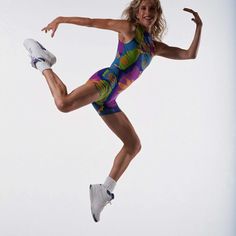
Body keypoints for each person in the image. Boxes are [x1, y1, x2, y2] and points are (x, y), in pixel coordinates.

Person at [23, 0, 202, 222]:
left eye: (152, 9)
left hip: (110, 98)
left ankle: (104, 190)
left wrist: (199, 28)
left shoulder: (154, 47)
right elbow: (91, 22)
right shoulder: (128, 29)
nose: (148, 12)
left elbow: (188, 55)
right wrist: (61, 19)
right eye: (144, 8)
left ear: (157, 14)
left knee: (133, 145)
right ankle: (42, 61)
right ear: (136, 12)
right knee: (63, 104)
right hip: (105, 83)